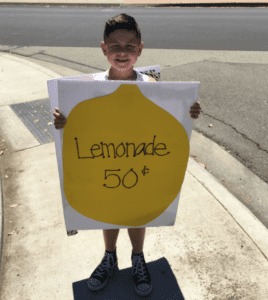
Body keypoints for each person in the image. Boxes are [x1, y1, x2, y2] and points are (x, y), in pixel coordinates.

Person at [53, 13, 201, 297]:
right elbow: (75, 122)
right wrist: (64, 122)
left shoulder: (152, 86)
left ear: (140, 49)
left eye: (130, 46)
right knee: (108, 209)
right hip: (104, 163)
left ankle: (137, 257)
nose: (122, 52)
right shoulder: (86, 88)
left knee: (137, 211)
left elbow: (169, 120)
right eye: (115, 46)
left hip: (139, 164)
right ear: (103, 48)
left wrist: (188, 113)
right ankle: (110, 256)